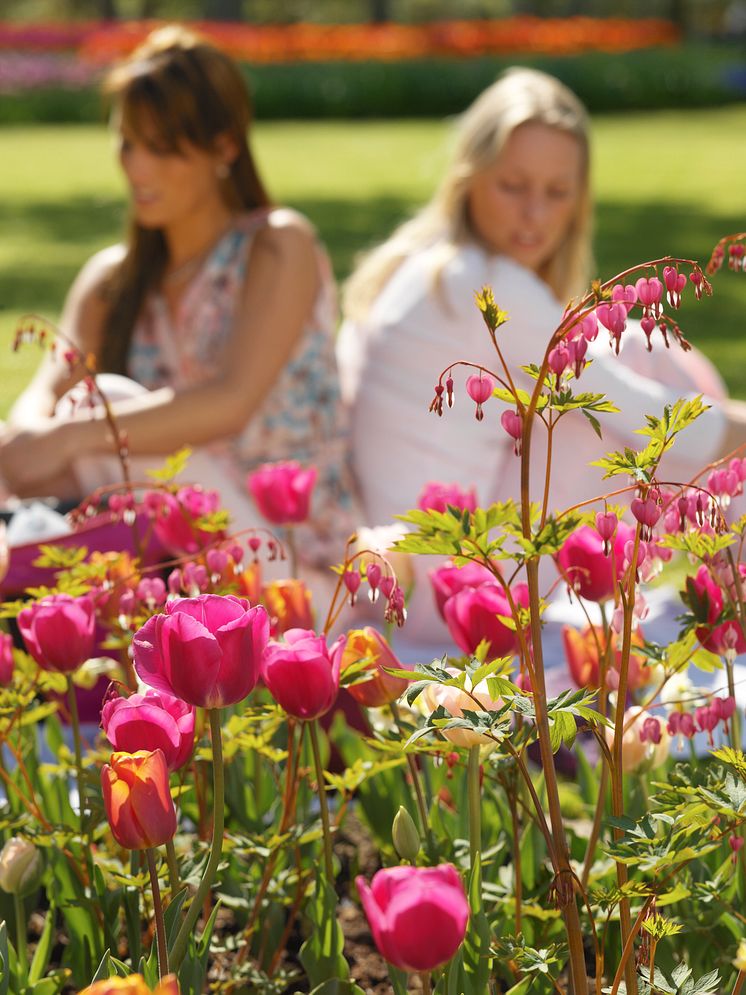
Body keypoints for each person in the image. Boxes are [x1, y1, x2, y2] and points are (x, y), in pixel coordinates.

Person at [336, 67, 746, 658]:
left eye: (557, 193)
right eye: (512, 185)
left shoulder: (422, 263)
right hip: (455, 587)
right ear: (470, 177)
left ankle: (724, 566)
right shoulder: (488, 286)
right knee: (639, 366)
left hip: (406, 567)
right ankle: (729, 577)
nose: (534, 214)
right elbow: (652, 418)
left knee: (626, 348)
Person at [0, 25, 356, 584]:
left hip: (293, 565)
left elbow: (230, 401)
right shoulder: (111, 281)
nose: (139, 167)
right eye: (128, 143)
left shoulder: (277, 246)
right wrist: (32, 442)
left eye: (162, 147)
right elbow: (37, 408)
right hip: (165, 567)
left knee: (105, 399)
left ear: (224, 147)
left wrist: (71, 435)